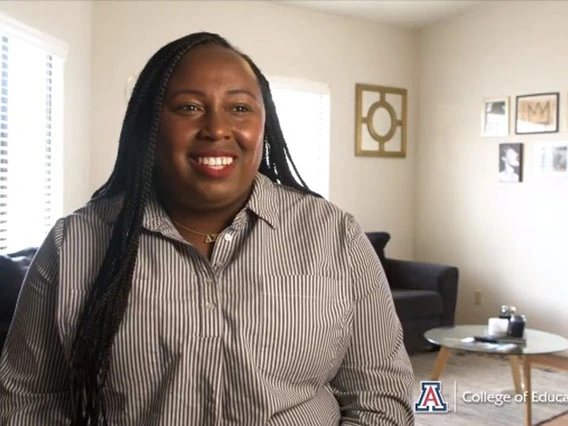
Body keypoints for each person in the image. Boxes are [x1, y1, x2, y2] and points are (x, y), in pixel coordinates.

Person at [0, 32, 414, 425]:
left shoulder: (335, 236)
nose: (217, 129)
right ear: (150, 125)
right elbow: (26, 401)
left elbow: (381, 397)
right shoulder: (73, 244)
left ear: (263, 124)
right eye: (189, 107)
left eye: (239, 108)